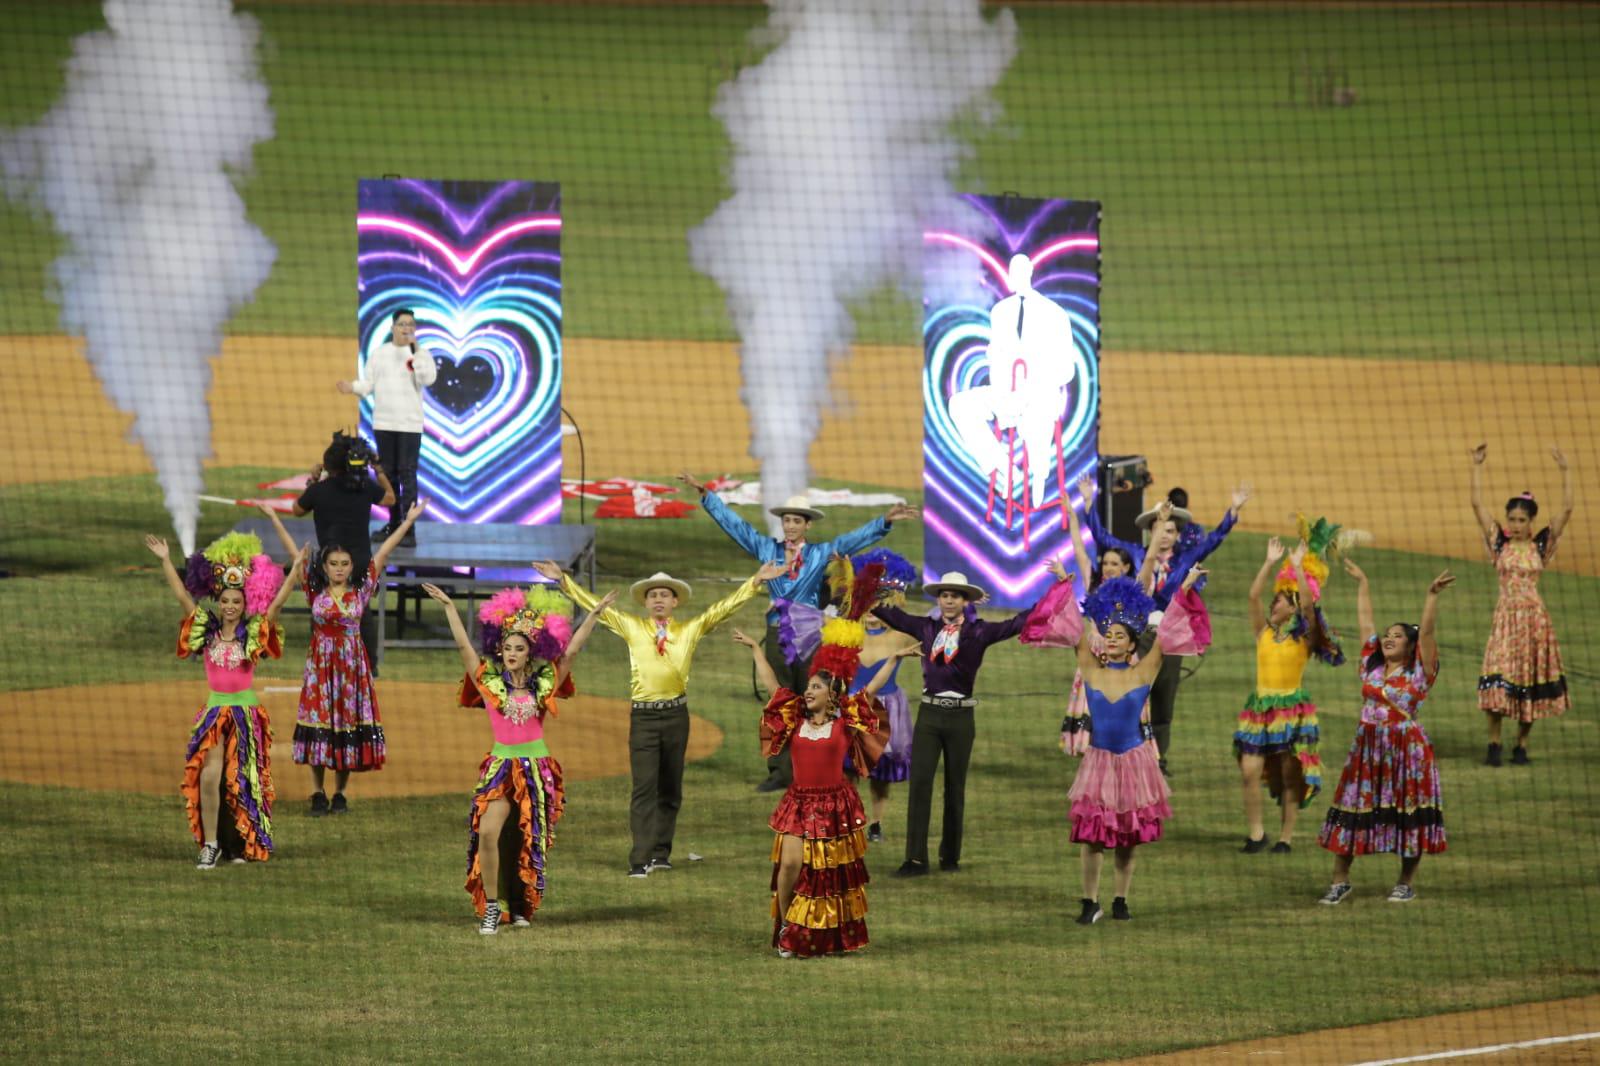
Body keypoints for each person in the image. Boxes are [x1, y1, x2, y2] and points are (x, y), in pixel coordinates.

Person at [535, 558, 785, 877]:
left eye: (664, 595)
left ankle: (661, 853)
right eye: (653, 595)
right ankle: (639, 859)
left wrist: (755, 582)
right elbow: (597, 608)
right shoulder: (631, 626)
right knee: (643, 788)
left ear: (675, 601)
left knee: (670, 788)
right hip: (643, 718)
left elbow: (722, 609)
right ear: (646, 602)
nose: (658, 600)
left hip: (677, 716)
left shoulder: (690, 630)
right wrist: (562, 581)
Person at [677, 473, 917, 791]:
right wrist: (707, 497)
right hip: (777, 637)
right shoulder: (767, 550)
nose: (790, 526)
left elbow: (852, 540)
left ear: (807, 525)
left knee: (816, 702)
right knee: (781, 701)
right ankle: (780, 771)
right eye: (787, 520)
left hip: (812, 642)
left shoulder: (820, 554)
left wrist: (883, 522)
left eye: (796, 521)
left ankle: (817, 766)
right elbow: (736, 527)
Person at [733, 557, 908, 957]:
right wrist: (759, 650)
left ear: (831, 693)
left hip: (835, 804)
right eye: (808, 686)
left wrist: (895, 660)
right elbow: (773, 685)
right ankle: (784, 924)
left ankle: (823, 935)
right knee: (791, 865)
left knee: (830, 877)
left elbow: (871, 692)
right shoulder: (793, 715)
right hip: (799, 802)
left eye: (815, 687)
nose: (807, 691)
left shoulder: (846, 719)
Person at [1020, 570, 1208, 924]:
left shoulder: (1144, 672)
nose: (1111, 639)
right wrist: (1064, 582)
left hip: (1135, 763)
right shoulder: (1090, 668)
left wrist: (1183, 587)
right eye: (1108, 634)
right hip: (1099, 762)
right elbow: (1074, 628)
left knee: (1127, 836)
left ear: (1132, 644)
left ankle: (1121, 898)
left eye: (1119, 636)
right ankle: (1090, 901)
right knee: (1091, 836)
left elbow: (1167, 635)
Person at [423, 580, 610, 934]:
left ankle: (521, 905)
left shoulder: (544, 682)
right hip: (500, 769)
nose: (510, 653)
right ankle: (493, 907)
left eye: (518, 648)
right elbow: (464, 647)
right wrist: (449, 606)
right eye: (507, 647)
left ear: (530, 652)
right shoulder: (488, 681)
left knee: (528, 839)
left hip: (537, 771)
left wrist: (595, 614)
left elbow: (572, 652)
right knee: (489, 833)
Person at [146, 530, 304, 869]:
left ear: (246, 604)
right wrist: (164, 561)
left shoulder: (254, 633)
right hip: (215, 712)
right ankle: (211, 845)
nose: (230, 607)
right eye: (225, 601)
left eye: (236, 602)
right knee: (208, 774)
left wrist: (295, 571)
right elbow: (182, 598)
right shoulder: (205, 629)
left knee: (242, 779)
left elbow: (278, 603)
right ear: (218, 601)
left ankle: (239, 845)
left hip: (245, 715)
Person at [870, 570, 1042, 877]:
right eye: (944, 595)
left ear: (966, 601)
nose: (949, 601)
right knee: (920, 783)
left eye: (955, 596)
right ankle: (916, 859)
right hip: (930, 716)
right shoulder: (925, 627)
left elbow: (1017, 623)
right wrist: (861, 582)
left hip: (962, 718)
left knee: (955, 787)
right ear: (939, 599)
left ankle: (950, 856)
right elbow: (888, 613)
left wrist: (1055, 592)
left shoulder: (980, 631)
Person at [265, 499, 424, 815]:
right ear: (324, 567)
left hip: (351, 671)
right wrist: (275, 520)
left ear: (352, 566)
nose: (338, 568)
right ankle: (317, 793)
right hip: (321, 670)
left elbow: (383, 553)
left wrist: (407, 523)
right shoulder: (313, 590)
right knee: (319, 726)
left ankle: (340, 794)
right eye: (333, 563)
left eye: (344, 563)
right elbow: (297, 557)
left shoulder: (363, 590)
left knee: (345, 729)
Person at [1082, 480, 1251, 774]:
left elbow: (1214, 540)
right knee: (1133, 697)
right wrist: (1088, 504)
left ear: (1177, 535)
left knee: (1164, 700)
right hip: (1137, 637)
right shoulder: (1135, 555)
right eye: (1161, 529)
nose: (1164, 536)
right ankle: (1129, 753)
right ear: (1151, 530)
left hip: (1170, 639)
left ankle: (1160, 761)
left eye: (1171, 531)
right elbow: (1101, 536)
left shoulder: (1186, 559)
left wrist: (1232, 512)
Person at [1317, 559, 1454, 905]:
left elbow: (1428, 634)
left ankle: (1406, 882)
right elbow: (1366, 623)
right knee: (1353, 807)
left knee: (1409, 814)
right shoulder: (1371, 665)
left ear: (1411, 647)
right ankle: (1339, 881)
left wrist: (1431, 596)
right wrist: (1363, 583)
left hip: (1408, 752)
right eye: (1387, 636)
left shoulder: (1420, 673)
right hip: (1367, 749)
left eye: (1397, 637)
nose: (1389, 639)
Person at [1235, 532, 1344, 854]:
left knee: (1288, 775)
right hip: (1260, 708)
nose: (1273, 604)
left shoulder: (1304, 638)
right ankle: (1256, 834)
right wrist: (1269, 563)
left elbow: (1310, 609)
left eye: (1279, 601)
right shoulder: (1264, 633)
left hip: (1291, 709)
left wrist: (1296, 569)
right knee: (1249, 771)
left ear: (1293, 606)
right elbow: (1253, 597)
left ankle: (1285, 837)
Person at [1469, 443, 1573, 765]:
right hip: (1505, 620)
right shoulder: (1498, 542)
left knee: (1529, 682)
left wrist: (1566, 470)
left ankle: (1522, 746)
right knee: (1497, 677)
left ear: (1531, 522)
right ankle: (1494, 745)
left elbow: (1567, 510)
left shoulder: (1542, 544)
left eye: (1520, 519)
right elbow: (1476, 504)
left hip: (1534, 622)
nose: (1514, 524)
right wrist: (1477, 466)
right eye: (1511, 519)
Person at [949, 253, 1078, 509]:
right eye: (1012, 272)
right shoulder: (1000, 312)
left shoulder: (1054, 314)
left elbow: (1067, 369)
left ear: (1029, 273)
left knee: (1035, 425)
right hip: (1004, 394)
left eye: (1020, 271)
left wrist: (1039, 380)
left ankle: (1036, 482)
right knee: (959, 405)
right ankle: (1004, 471)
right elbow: (995, 353)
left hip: (1038, 397)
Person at [279, 431, 395, 669]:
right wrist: (378, 469)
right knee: (362, 611)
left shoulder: (319, 490)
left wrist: (313, 480)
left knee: (323, 607)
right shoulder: (364, 487)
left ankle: (323, 661)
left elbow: (296, 509)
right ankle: (369, 666)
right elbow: (391, 499)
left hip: (330, 564)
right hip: (361, 561)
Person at [337, 307, 437, 547]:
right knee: (388, 475)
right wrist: (352, 387)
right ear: (393, 327)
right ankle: (393, 524)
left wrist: (415, 357)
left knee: (407, 473)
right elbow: (369, 384)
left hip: (409, 425)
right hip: (384, 423)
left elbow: (428, 379)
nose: (406, 329)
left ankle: (408, 529)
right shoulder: (380, 353)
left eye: (410, 325)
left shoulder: (421, 354)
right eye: (402, 324)